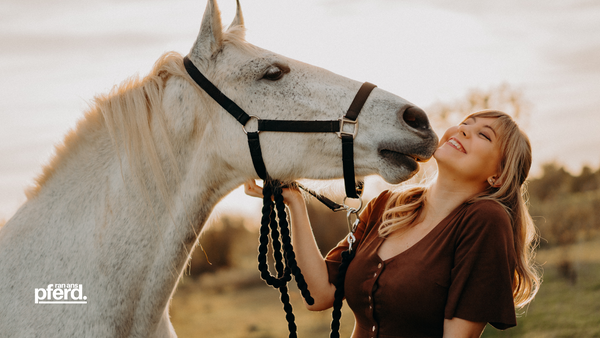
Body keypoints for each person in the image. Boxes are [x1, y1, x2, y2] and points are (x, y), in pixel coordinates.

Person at [245, 109, 541, 337]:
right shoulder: (387, 205)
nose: (463, 130)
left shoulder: (486, 221)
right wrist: (294, 203)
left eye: (483, 135)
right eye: (466, 123)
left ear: (499, 176)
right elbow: (319, 294)